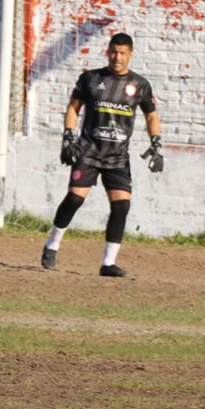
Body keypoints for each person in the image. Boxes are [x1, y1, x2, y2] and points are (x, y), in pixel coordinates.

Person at [40, 32, 163, 277]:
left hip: (117, 156)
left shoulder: (140, 85)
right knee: (75, 199)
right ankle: (52, 244)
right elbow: (73, 108)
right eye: (113, 52)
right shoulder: (90, 79)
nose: (117, 57)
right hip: (88, 151)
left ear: (130, 55)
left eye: (122, 53)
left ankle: (108, 263)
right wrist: (67, 136)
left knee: (122, 206)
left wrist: (156, 144)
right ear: (107, 52)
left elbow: (151, 115)